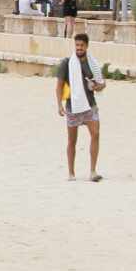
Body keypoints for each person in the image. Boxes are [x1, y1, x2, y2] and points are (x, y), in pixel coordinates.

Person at [56, 33, 105, 181]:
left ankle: (93, 171)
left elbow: (102, 84)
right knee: (72, 141)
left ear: (87, 46)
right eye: (77, 45)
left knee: (95, 134)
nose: (79, 48)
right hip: (73, 106)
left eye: (82, 45)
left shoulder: (93, 64)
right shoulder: (66, 63)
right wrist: (59, 104)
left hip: (90, 105)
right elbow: (58, 86)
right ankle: (71, 173)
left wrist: (96, 86)